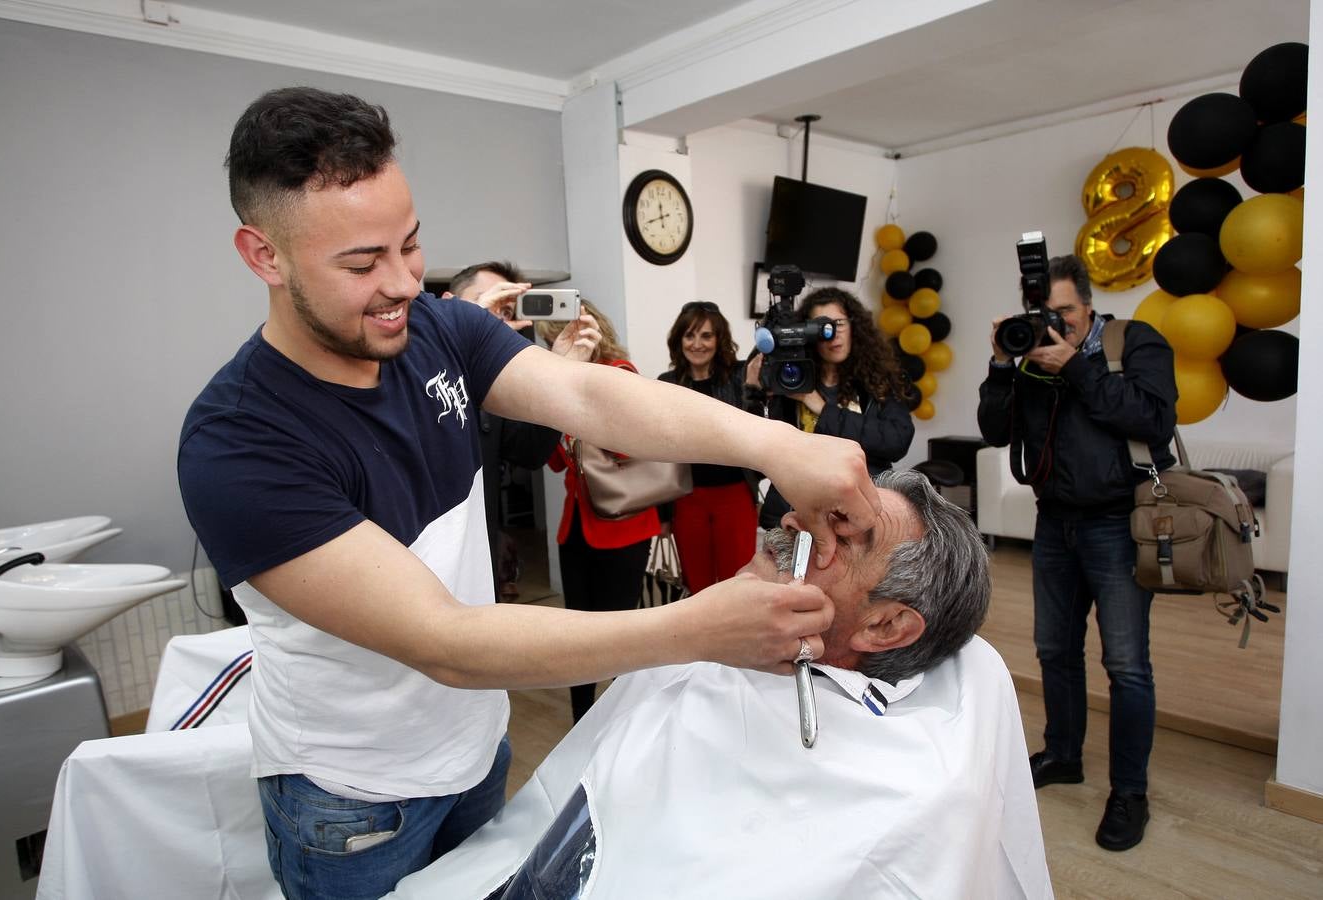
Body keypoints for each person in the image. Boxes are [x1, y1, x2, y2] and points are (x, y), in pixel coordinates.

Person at [177, 86, 881, 900]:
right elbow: (444, 639)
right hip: (353, 797)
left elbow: (592, 398)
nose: (403, 282)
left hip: (478, 741)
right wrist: (693, 627)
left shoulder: (437, 332)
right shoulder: (238, 443)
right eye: (363, 263)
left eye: (410, 245)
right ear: (264, 255)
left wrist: (780, 445)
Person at [388, 470, 1054, 899]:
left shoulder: (903, 790)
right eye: (824, 509)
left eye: (841, 535)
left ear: (884, 627)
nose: (798, 522)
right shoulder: (718, 647)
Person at [976, 254, 1177, 852]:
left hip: (1118, 523)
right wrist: (1001, 364)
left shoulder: (1130, 341)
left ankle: (1129, 793)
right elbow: (993, 429)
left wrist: (1080, 368)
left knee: (1126, 665)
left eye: (1063, 311)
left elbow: (1153, 419)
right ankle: (1064, 755)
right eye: (1044, 313)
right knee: (1054, 650)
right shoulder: (1030, 360)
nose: (1053, 324)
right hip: (1054, 524)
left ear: (1087, 305)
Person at [536, 303, 661, 722]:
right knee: (577, 634)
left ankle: (620, 722)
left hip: (623, 526)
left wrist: (576, 403)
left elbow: (631, 447)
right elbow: (553, 462)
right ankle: (581, 721)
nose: (552, 350)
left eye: (554, 340)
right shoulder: (557, 385)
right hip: (576, 529)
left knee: (618, 632)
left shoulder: (620, 374)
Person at [446, 261, 600, 600]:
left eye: (506, 312)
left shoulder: (493, 390)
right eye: (489, 303)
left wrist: (562, 372)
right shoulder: (407, 373)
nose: (494, 320)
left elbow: (530, 453)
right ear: (447, 304)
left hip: (481, 570)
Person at [747, 286, 915, 528]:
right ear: (807, 334)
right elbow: (759, 454)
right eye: (822, 328)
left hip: (860, 510)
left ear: (854, 326)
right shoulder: (789, 379)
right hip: (796, 511)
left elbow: (897, 440)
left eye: (838, 323)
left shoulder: (878, 380)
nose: (832, 334)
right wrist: (753, 391)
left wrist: (821, 407)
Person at [656, 300, 758, 594]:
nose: (697, 344)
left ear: (719, 339)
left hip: (736, 494)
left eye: (706, 335)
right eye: (690, 335)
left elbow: (756, 425)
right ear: (679, 340)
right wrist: (662, 516)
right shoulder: (667, 383)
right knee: (697, 585)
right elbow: (659, 453)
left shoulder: (740, 376)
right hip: (687, 498)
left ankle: (737, 641)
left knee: (738, 583)